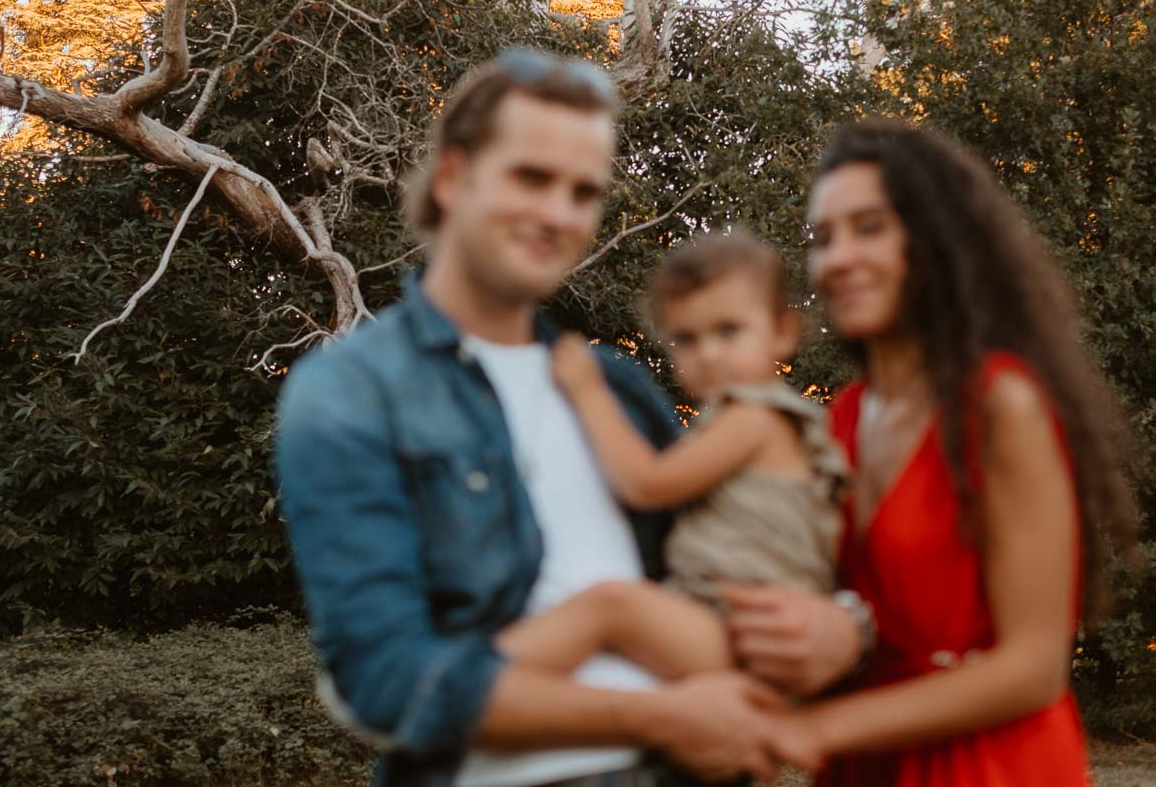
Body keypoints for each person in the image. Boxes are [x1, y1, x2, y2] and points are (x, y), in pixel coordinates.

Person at [273, 48, 864, 787]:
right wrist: (656, 716)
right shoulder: (354, 391)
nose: (559, 214)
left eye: (583, 192)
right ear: (452, 179)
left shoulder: (614, 387)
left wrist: (845, 626)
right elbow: (385, 682)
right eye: (532, 178)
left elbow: (748, 547)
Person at [769, 119, 1140, 785]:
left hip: (988, 766)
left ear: (934, 240)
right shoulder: (839, 420)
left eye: (869, 228)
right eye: (823, 238)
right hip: (865, 766)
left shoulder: (999, 406)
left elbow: (1033, 669)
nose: (839, 258)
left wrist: (815, 730)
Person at [494, 230, 851, 682]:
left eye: (728, 331)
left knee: (610, 605)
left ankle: (470, 683)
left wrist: (588, 391)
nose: (709, 354)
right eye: (686, 339)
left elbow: (646, 484)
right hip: (736, 626)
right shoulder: (765, 422)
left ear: (782, 332)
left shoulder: (754, 418)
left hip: (743, 632)